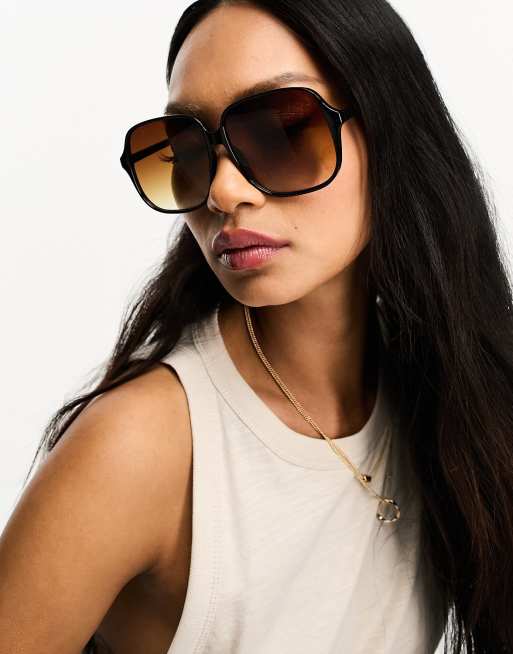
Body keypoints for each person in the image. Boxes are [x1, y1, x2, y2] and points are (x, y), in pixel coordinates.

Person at [1, 1, 512, 653]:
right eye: (186, 148)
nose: (222, 191)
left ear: (390, 132)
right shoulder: (142, 445)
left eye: (279, 131)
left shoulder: (447, 397)